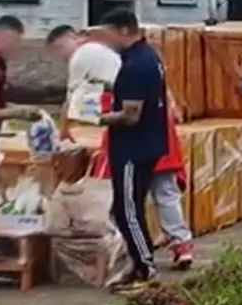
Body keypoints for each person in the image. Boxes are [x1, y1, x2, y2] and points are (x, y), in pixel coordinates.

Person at [46, 25, 194, 270]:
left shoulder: (83, 57)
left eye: (60, 48)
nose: (62, 55)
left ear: (73, 38)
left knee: (124, 201)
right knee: (164, 191)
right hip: (158, 126)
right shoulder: (143, 55)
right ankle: (182, 244)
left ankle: (134, 257)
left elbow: (71, 102)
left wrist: (63, 136)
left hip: (130, 131)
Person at [96, 8, 170, 293]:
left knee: (126, 210)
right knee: (130, 208)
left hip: (133, 147)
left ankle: (145, 268)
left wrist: (95, 118)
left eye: (108, 34)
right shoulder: (147, 56)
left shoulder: (135, 65)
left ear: (124, 30)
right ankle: (138, 262)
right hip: (147, 143)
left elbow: (131, 114)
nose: (106, 40)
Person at [0, 16, 43, 166]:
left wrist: (12, 107)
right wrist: (19, 112)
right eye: (15, 43)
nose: (15, 50)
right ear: (5, 37)